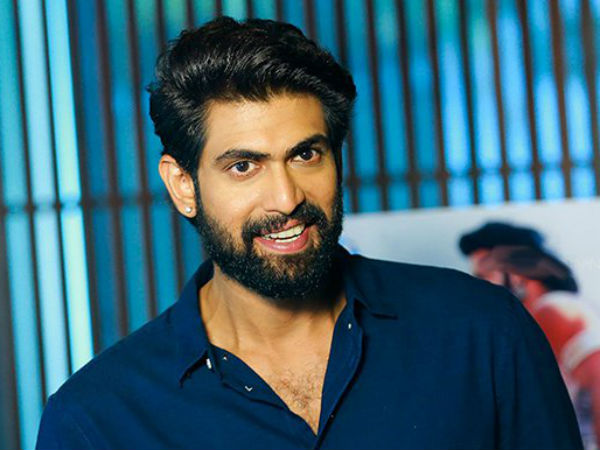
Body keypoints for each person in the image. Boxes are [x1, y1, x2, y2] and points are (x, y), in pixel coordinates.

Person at [35, 18, 582, 450]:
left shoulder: (480, 332)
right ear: (183, 185)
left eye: (305, 155)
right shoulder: (97, 419)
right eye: (243, 166)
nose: (286, 198)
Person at [460, 222, 600, 450]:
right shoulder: (546, 314)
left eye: (484, 276)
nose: (477, 288)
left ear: (518, 273)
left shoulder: (552, 310)